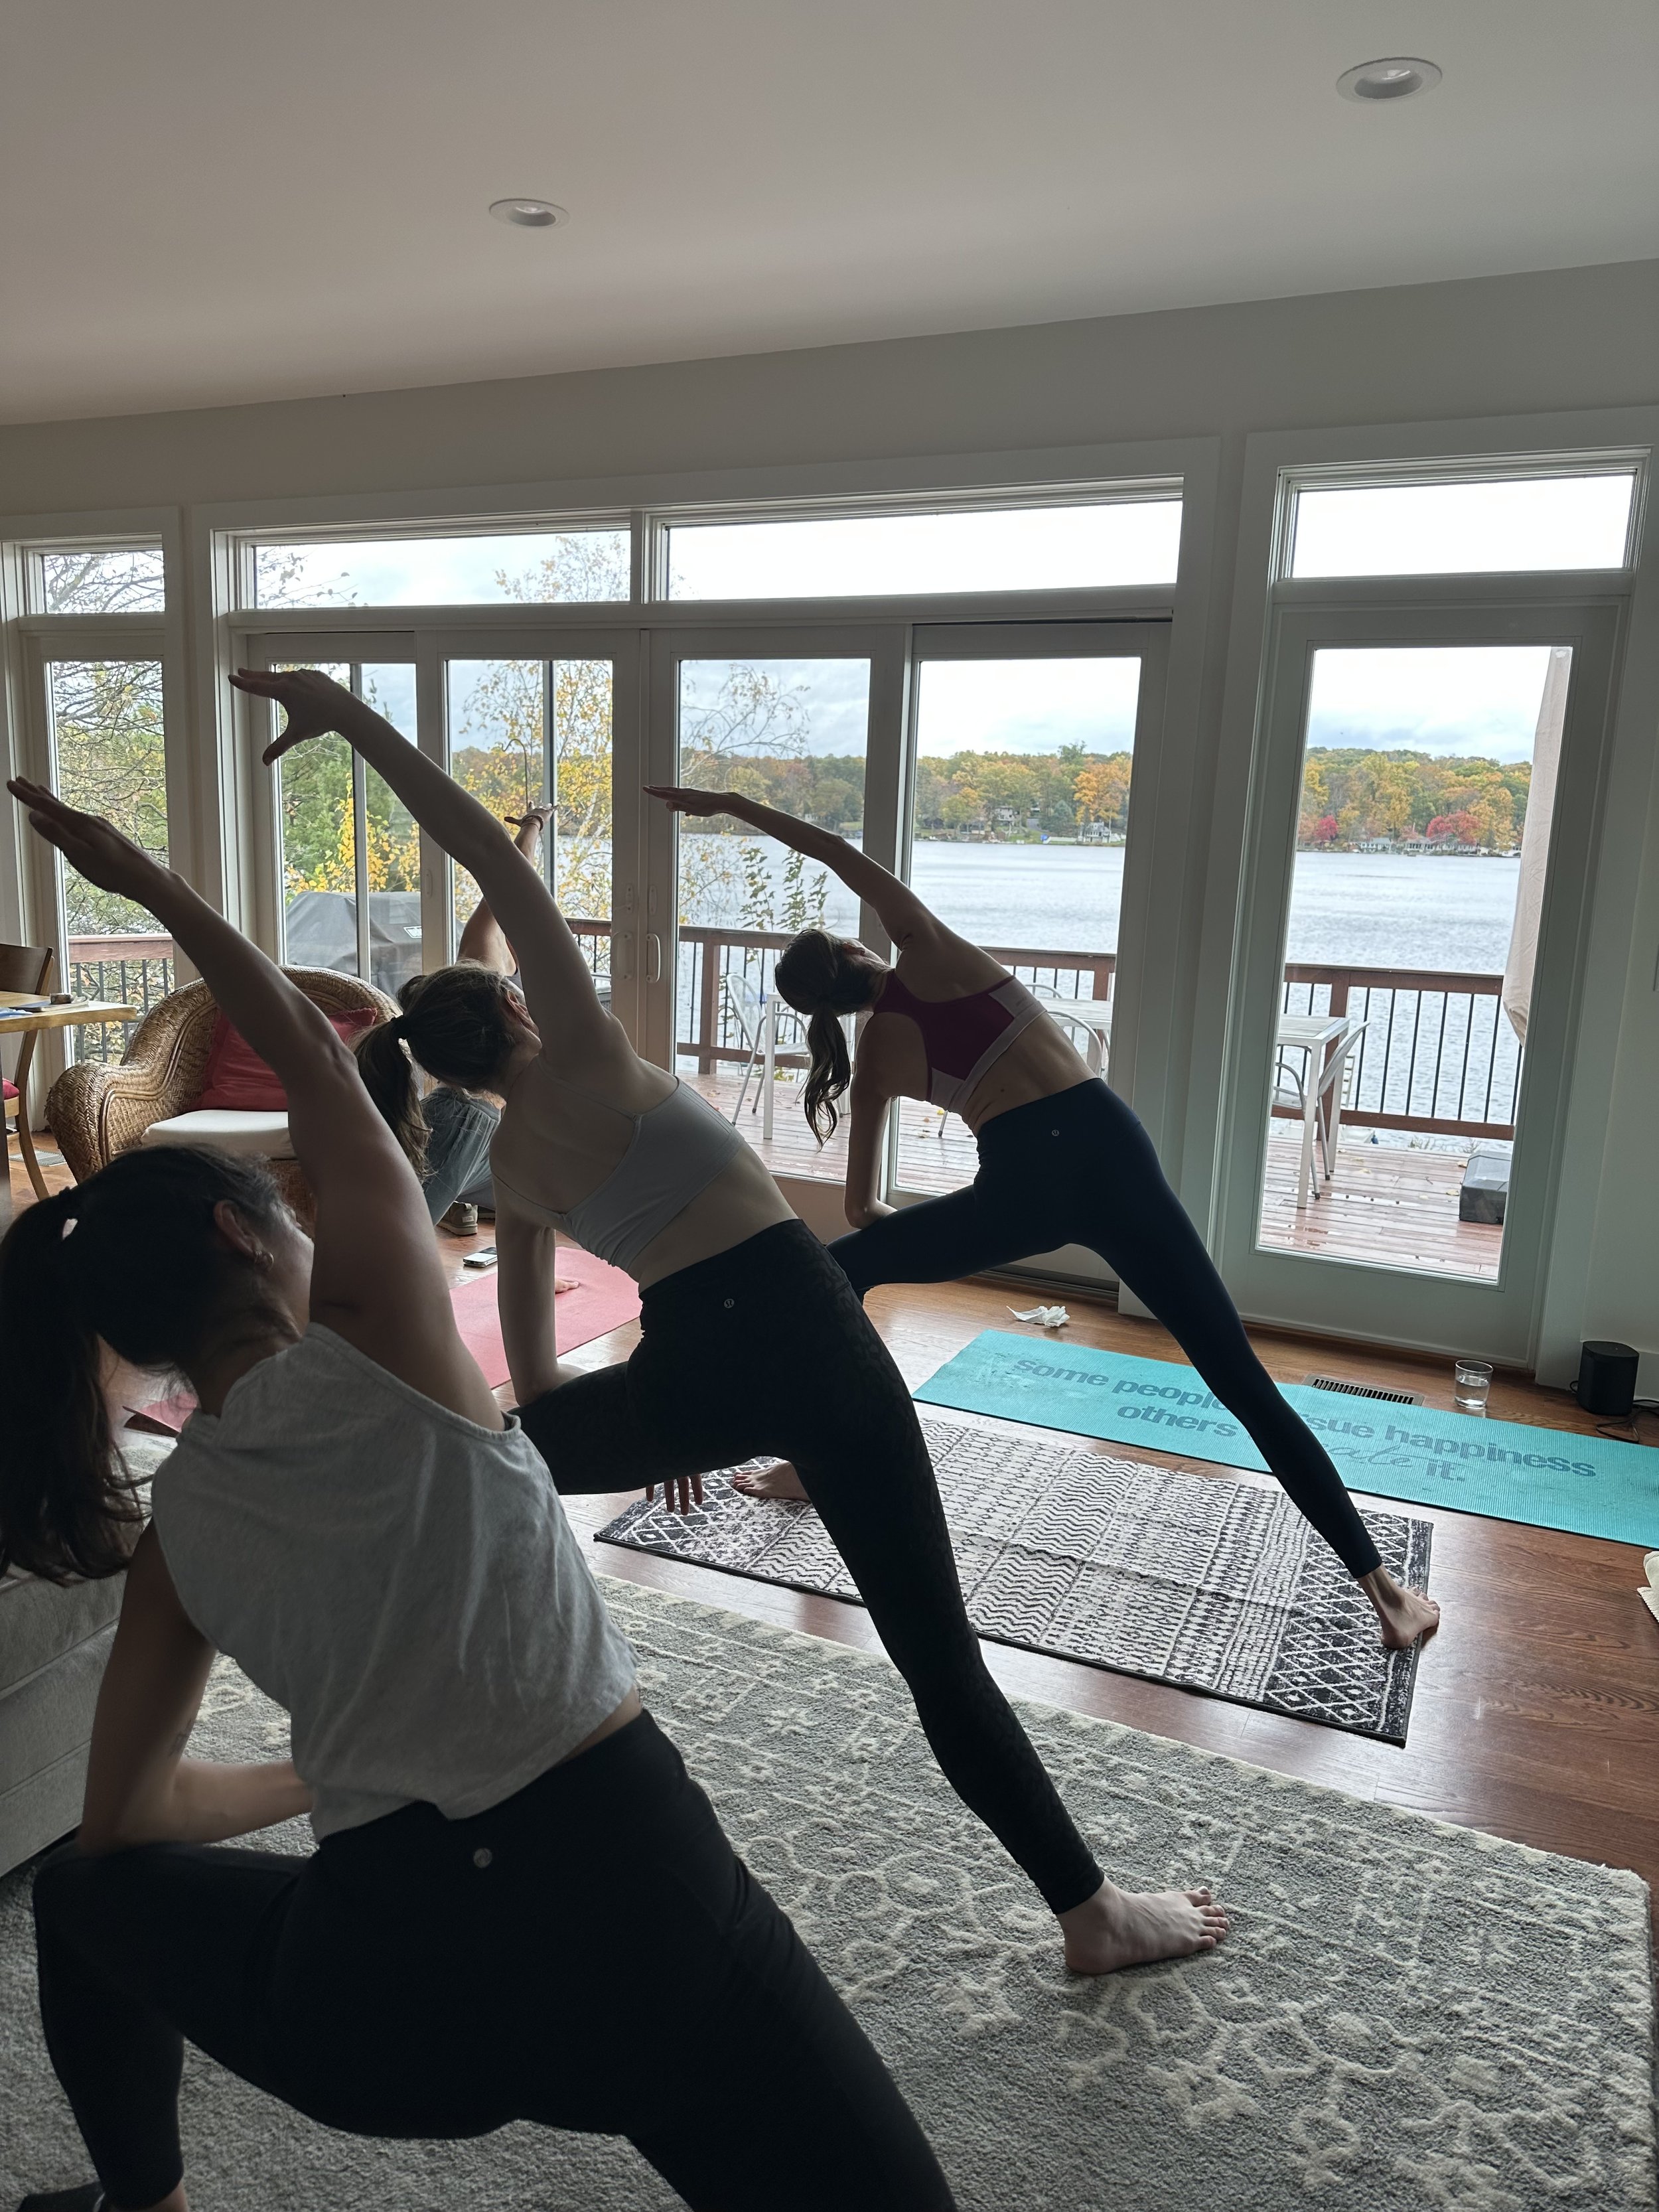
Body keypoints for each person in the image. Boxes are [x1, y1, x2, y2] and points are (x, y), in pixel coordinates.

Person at [0, 776, 957, 2212]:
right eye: (286, 1209)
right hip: (641, 1912)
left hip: (392, 2002)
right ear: (241, 1230)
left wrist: (320, 1777)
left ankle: (147, 2204)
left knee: (80, 1900)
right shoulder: (388, 1332)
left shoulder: (176, 1531)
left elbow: (124, 1820)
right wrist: (144, 878)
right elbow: (313, 1065)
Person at [232, 666, 1230, 1977]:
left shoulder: (511, 1170)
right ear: (520, 1009)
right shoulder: (587, 1045)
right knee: (935, 1652)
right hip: (808, 1332)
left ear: (456, 1079)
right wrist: (351, 718)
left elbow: (533, 1380)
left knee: (487, 1461)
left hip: (690, 1357)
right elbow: (478, 839)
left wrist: (652, 1419)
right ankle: (1088, 1911)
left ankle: (375, 1626)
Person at [645, 782, 1441, 1655]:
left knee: (843, 1271)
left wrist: (935, 1227)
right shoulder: (930, 951)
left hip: (1020, 1184)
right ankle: (1385, 1593)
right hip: (1107, 1148)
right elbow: (835, 853)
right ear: (850, 946)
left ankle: (812, 1459)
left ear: (821, 1012)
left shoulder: (871, 1060)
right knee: (1238, 1377)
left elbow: (862, 1207)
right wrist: (730, 805)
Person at [421, 802, 552, 1234]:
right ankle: (457, 1194)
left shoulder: (517, 956)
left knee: (542, 1187)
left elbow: (519, 873)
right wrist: (532, 824)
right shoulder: (482, 959)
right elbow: (505, 873)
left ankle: (463, 1199)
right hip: (469, 1117)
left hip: (492, 1131)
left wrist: (535, 827)